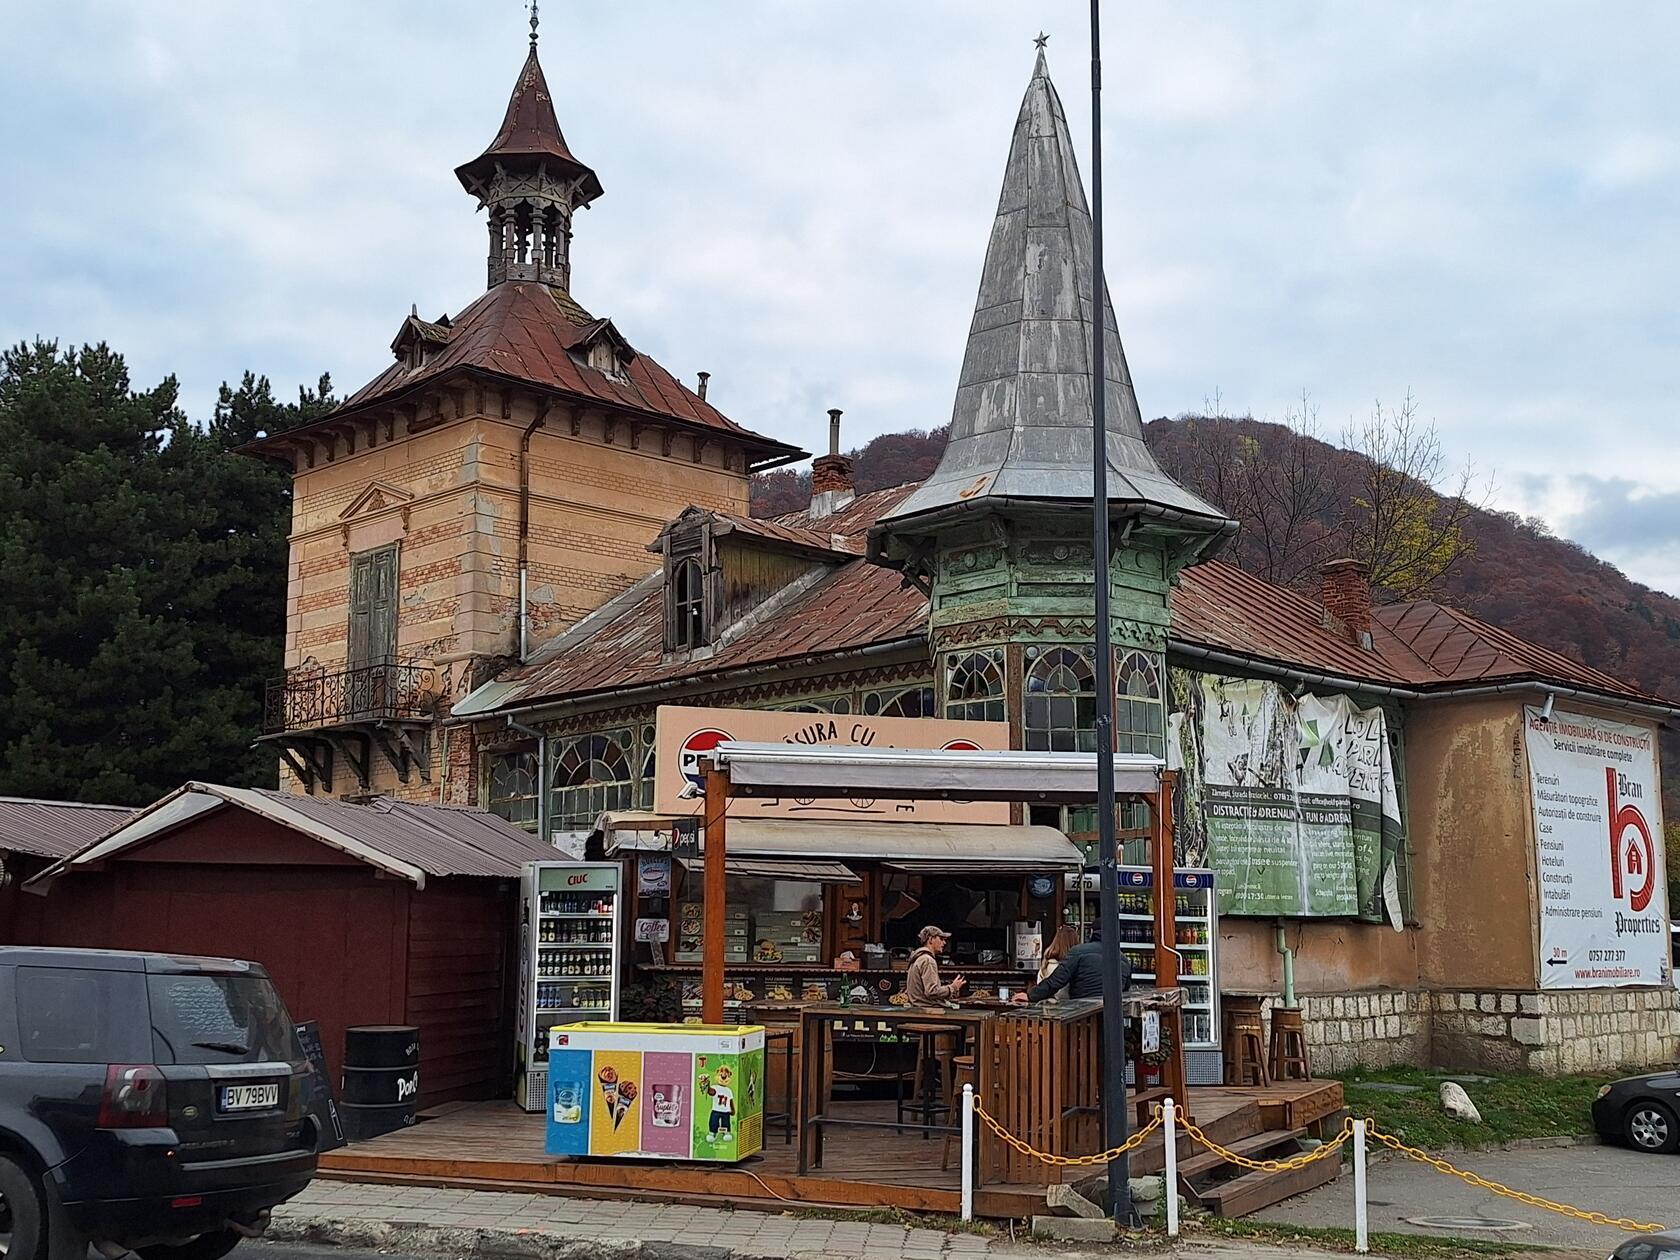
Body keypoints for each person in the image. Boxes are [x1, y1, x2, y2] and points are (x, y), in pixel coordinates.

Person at [1012, 928, 1125, 1004]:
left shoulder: (1079, 952)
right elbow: (1126, 987)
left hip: (1082, 1009)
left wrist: (1031, 996)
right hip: (1112, 1012)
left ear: (1092, 932)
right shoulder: (1122, 957)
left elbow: (1056, 981)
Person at [904, 925, 966, 1005]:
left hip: (919, 1009)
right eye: (941, 939)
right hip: (928, 1010)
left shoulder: (918, 958)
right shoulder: (927, 960)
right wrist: (953, 987)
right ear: (930, 939)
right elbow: (932, 992)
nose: (944, 943)